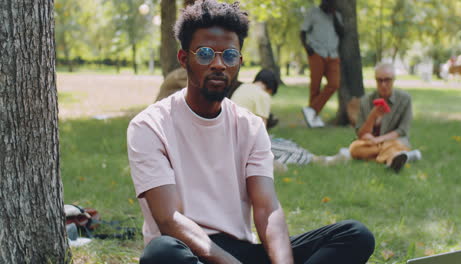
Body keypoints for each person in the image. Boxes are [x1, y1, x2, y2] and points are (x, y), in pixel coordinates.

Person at [127, 1, 374, 263]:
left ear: (240, 62)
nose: (219, 64)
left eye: (230, 55)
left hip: (241, 251)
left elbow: (267, 209)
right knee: (161, 254)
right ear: (183, 58)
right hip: (189, 252)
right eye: (205, 54)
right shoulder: (149, 126)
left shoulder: (250, 125)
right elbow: (168, 219)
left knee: (355, 235)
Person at [349, 63, 422, 172]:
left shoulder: (405, 99)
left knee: (395, 144)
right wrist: (372, 116)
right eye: (379, 80)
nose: (383, 84)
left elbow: (402, 130)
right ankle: (396, 157)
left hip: (394, 141)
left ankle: (391, 158)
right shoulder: (366, 101)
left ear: (393, 80)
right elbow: (360, 133)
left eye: (387, 80)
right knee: (354, 148)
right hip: (371, 143)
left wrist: (378, 140)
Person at [300, 0, 344, 128]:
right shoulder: (313, 12)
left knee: (334, 84)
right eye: (330, 4)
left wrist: (335, 15)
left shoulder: (336, 15)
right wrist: (306, 47)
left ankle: (311, 110)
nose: (332, 6)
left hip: (333, 54)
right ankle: (313, 118)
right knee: (315, 86)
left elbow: (342, 33)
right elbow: (303, 31)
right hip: (317, 52)